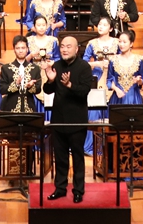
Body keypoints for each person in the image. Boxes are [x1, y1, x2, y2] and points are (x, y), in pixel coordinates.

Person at [44, 35, 95, 203]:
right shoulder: (56, 66)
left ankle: (78, 190)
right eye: (62, 46)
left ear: (76, 49)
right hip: (58, 119)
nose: (64, 49)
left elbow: (84, 91)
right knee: (60, 157)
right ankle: (60, 188)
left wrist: (70, 85)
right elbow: (48, 90)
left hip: (77, 119)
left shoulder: (84, 67)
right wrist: (51, 80)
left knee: (78, 157)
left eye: (68, 46)